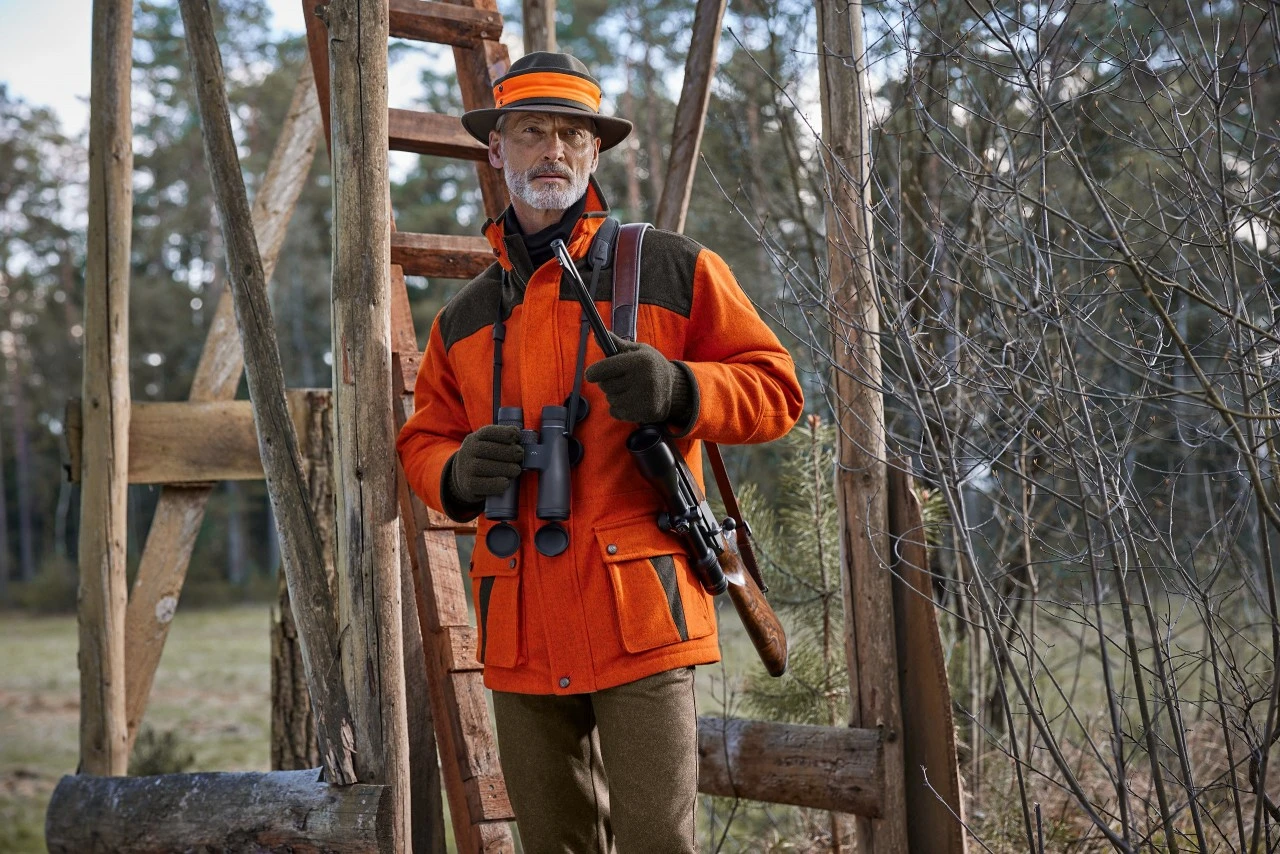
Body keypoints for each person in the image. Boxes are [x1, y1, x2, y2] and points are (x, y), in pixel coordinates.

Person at [397, 51, 803, 853]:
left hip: (640, 616)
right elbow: (422, 439)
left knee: (659, 845)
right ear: (496, 152)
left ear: (595, 153)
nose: (553, 150)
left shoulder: (674, 267)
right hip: (520, 627)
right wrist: (453, 472)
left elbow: (776, 392)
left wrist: (682, 389)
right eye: (532, 132)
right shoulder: (464, 318)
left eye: (572, 135)